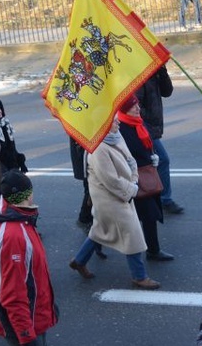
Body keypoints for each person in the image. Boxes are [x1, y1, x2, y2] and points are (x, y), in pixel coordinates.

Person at [68, 116, 160, 290]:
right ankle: (139, 276)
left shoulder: (114, 136)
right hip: (109, 198)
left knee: (101, 230)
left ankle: (79, 261)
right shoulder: (98, 148)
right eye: (114, 120)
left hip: (118, 193)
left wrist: (133, 179)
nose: (118, 123)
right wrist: (132, 188)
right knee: (132, 233)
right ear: (103, 125)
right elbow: (111, 180)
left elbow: (130, 161)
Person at [0, 170, 58, 346]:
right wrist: (26, 339)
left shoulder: (22, 221)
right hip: (21, 323)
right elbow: (13, 295)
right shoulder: (14, 235)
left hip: (33, 315)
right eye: (30, 191)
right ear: (25, 195)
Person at [118, 94, 174, 261]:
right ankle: (88, 251)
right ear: (124, 109)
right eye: (133, 106)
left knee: (148, 215)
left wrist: (152, 156)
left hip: (147, 175)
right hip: (133, 178)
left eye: (137, 105)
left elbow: (148, 144)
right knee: (117, 221)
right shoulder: (121, 128)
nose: (137, 108)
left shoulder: (140, 123)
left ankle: (153, 250)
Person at [135, 64, 185, 215]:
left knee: (149, 162)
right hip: (144, 129)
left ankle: (152, 197)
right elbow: (136, 107)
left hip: (152, 128)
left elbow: (167, 91)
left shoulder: (154, 73)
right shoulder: (139, 76)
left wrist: (162, 71)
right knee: (161, 160)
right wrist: (147, 128)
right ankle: (163, 200)